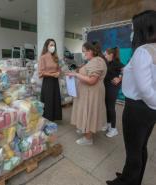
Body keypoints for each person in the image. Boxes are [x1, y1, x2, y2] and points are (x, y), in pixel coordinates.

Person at [106, 10, 156, 185]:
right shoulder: (153, 49)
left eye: (133, 28)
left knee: (133, 150)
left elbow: (144, 88)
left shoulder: (143, 51)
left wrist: (153, 103)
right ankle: (132, 177)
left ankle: (128, 181)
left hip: (137, 108)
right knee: (141, 147)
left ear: (143, 28)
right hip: (148, 110)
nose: (132, 32)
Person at [67, 41, 107, 145]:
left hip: (92, 94)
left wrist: (76, 75)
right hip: (88, 93)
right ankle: (85, 130)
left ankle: (88, 138)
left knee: (90, 113)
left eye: (85, 52)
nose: (84, 54)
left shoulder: (97, 62)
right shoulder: (93, 61)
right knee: (86, 112)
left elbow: (91, 80)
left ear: (91, 51)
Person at [38, 38, 62, 121]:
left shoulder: (55, 57)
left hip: (55, 81)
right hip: (48, 82)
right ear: (47, 46)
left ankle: (55, 117)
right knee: (48, 100)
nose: (53, 47)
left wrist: (59, 72)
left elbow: (59, 68)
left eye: (54, 45)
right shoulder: (43, 57)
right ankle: (48, 118)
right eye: (51, 45)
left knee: (55, 99)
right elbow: (41, 72)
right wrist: (52, 74)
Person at [102, 47, 123, 138]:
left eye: (106, 54)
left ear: (111, 54)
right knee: (107, 106)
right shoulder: (108, 63)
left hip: (112, 88)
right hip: (106, 87)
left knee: (111, 107)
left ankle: (114, 129)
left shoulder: (117, 63)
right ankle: (109, 124)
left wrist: (119, 78)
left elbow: (126, 70)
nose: (105, 56)